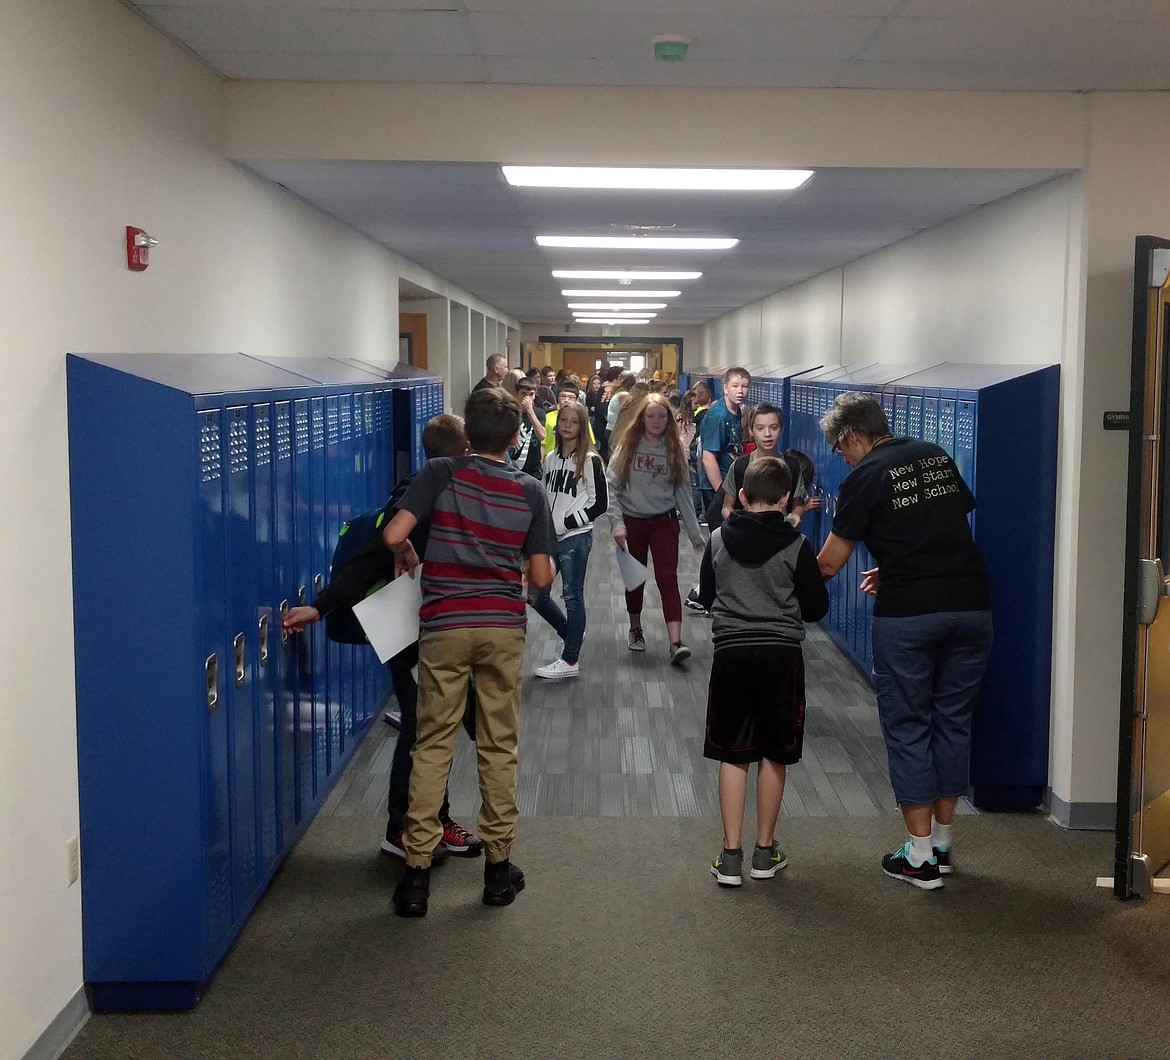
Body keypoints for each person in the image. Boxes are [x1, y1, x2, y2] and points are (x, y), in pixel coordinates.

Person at [381, 387, 557, 917]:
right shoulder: (528, 491)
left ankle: (416, 877)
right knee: (498, 745)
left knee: (432, 744)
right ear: (513, 436)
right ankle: (499, 871)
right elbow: (543, 577)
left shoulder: (440, 474)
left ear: (468, 436)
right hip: (501, 627)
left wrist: (412, 551)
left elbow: (393, 534)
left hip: (444, 626)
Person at [281, 415, 485, 864]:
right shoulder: (416, 501)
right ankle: (403, 828)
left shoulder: (442, 493)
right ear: (464, 449)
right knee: (422, 729)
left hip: (431, 629)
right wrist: (321, 606)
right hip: (408, 634)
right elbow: (371, 559)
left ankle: (431, 819)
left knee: (433, 728)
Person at [816, 392, 993, 892]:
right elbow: (940, 530)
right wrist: (894, 565)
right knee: (952, 722)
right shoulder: (935, 455)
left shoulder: (863, 477)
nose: (840, 457)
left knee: (908, 724)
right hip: (971, 607)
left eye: (839, 447)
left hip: (910, 618)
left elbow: (829, 563)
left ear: (853, 436)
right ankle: (940, 845)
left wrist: (786, 588)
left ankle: (918, 858)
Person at [697, 456, 828, 887]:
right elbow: (815, 607)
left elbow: (709, 594)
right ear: (786, 498)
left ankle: (729, 856)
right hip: (780, 658)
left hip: (731, 655)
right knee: (774, 752)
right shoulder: (796, 545)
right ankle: (764, 852)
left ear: (744, 496)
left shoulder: (717, 539)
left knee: (733, 753)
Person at [607, 393, 706, 664]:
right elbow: (611, 487)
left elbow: (683, 492)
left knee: (667, 578)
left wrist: (695, 533)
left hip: (664, 521)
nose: (656, 421)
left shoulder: (675, 449)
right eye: (650, 416)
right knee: (634, 578)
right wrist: (617, 524)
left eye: (662, 416)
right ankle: (635, 628)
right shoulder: (628, 445)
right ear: (642, 418)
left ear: (669, 419)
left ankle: (676, 642)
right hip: (632, 520)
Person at [530, 402, 608, 680]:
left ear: (582, 426)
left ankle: (570, 659)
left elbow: (600, 503)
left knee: (572, 596)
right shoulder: (550, 457)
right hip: (550, 538)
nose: (567, 425)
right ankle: (572, 634)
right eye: (563, 420)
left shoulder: (590, 459)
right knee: (536, 594)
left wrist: (568, 521)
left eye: (574, 422)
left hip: (575, 538)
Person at [720, 403, 823, 528]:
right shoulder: (739, 466)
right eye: (760, 428)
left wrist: (795, 515)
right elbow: (727, 507)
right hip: (746, 536)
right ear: (751, 431)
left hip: (780, 536)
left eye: (774, 427)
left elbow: (797, 505)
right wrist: (739, 524)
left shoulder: (792, 466)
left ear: (782, 429)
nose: (767, 434)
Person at [698, 366, 751, 520]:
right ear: (725, 388)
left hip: (730, 483)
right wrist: (721, 493)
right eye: (735, 386)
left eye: (744, 386)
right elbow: (708, 458)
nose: (740, 391)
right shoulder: (718, 416)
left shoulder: (737, 411)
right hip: (716, 486)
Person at [541, 379, 596, 455]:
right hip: (552, 459)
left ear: (576, 399)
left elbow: (589, 442)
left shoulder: (581, 418)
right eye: (563, 396)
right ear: (558, 398)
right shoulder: (548, 417)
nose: (566, 400)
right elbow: (543, 443)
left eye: (571, 397)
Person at [603, 370, 637, 458]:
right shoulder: (624, 395)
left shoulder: (618, 393)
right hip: (617, 431)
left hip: (611, 428)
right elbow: (630, 413)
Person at [586, 374, 607, 450]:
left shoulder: (602, 394)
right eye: (594, 384)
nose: (597, 386)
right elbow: (592, 408)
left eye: (598, 384)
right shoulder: (590, 395)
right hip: (593, 419)